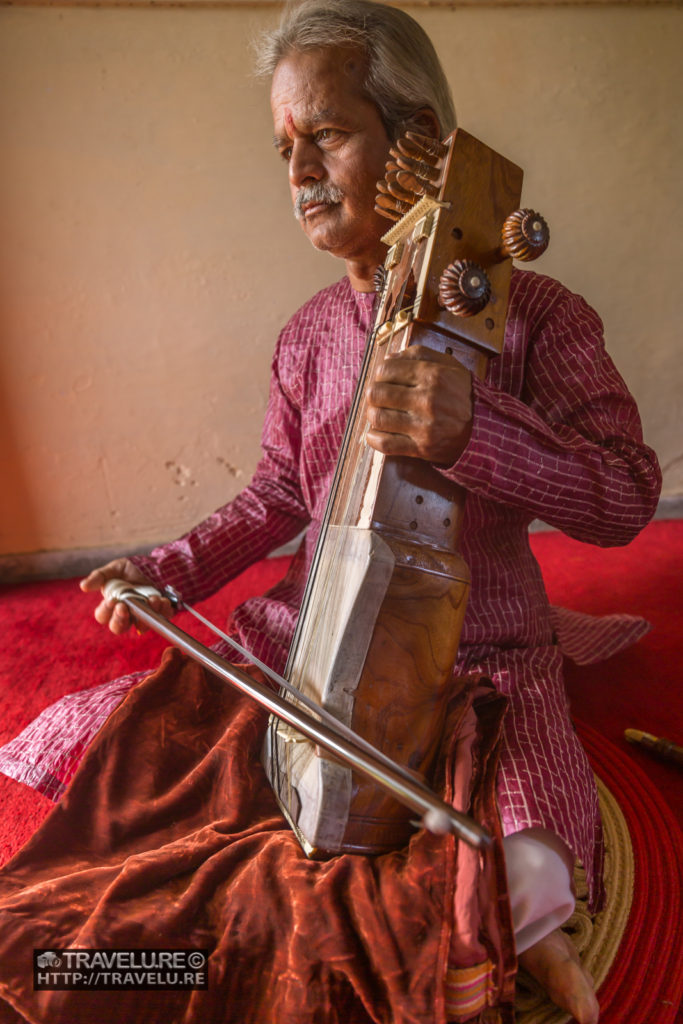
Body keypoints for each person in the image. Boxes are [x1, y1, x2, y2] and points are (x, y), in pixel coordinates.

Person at [0, 3, 661, 1023]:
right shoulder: (307, 336)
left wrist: (476, 428)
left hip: (480, 659)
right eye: (284, 150)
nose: (300, 173)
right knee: (136, 767)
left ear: (418, 148)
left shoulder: (535, 315)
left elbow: (623, 493)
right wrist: (166, 568)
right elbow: (275, 492)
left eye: (328, 135)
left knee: (528, 869)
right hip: (313, 635)